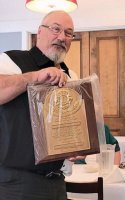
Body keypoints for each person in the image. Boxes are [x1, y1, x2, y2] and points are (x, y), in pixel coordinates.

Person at [0, 11, 84, 200]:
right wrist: (33, 77)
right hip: (15, 185)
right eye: (56, 29)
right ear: (39, 31)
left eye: (68, 33)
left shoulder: (72, 76)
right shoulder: (10, 60)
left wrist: (75, 146)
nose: (62, 37)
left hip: (57, 183)